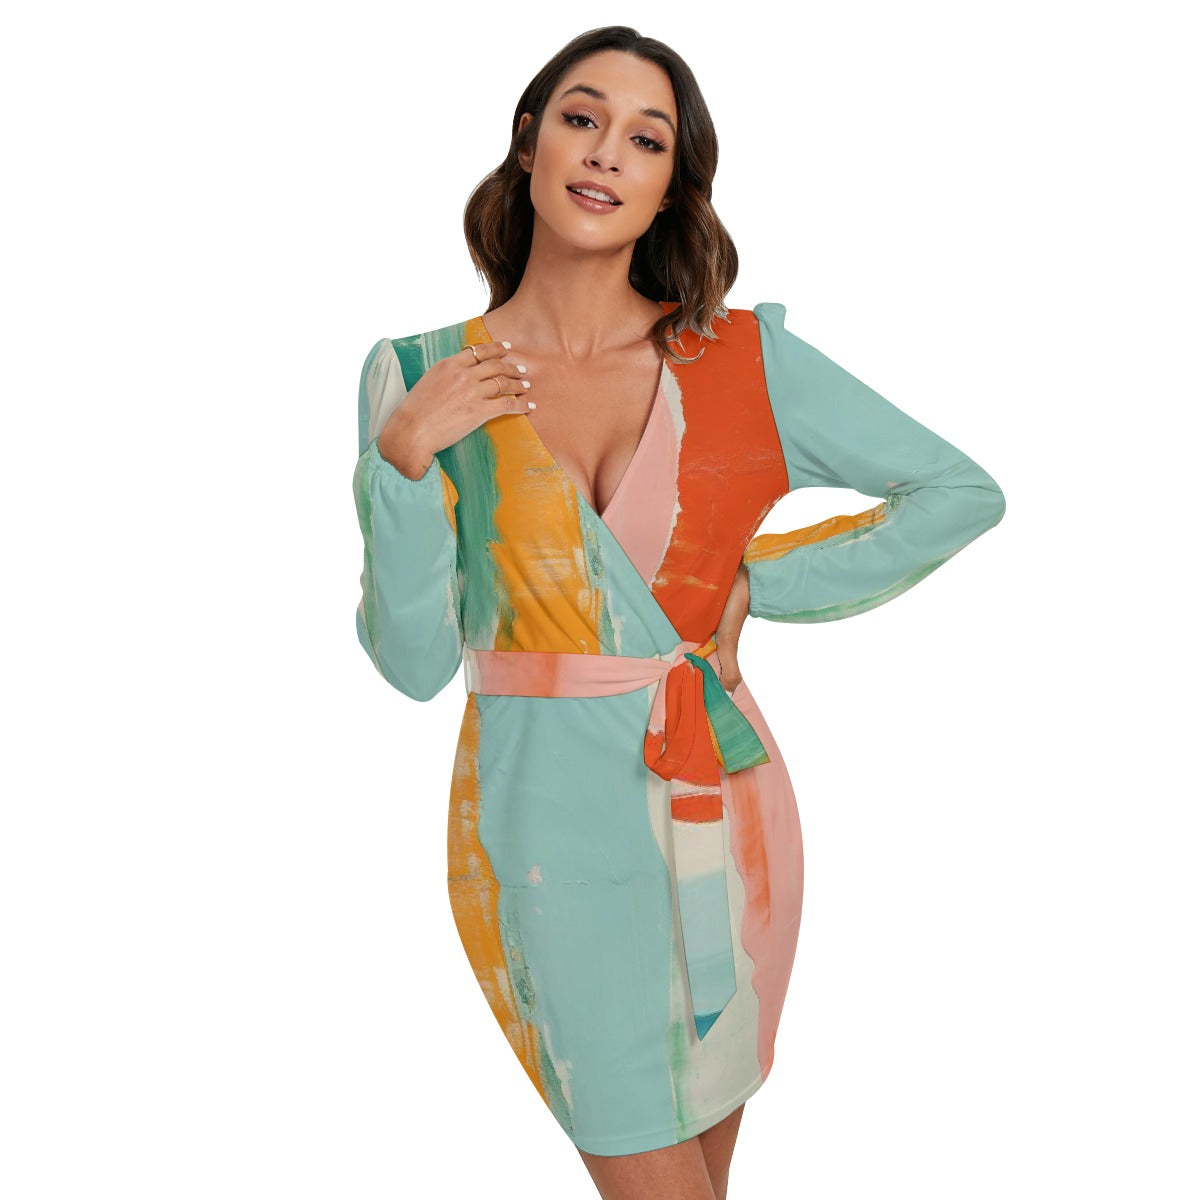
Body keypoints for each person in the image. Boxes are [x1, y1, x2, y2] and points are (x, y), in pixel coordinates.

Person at [351, 24, 1005, 1200]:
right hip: (545, 836)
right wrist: (400, 466)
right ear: (529, 142)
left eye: (646, 139)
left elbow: (958, 493)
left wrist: (761, 584)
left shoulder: (741, 358)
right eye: (581, 118)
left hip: (728, 807)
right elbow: (411, 662)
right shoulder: (421, 378)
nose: (607, 152)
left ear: (672, 184)